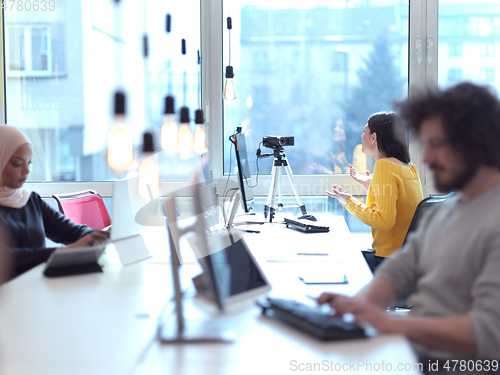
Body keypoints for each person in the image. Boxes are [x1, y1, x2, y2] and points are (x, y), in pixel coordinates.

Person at [318, 82, 500, 366]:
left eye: (436, 145)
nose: (425, 158)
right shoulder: (449, 211)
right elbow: (403, 265)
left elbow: (486, 332)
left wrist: (389, 323)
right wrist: (360, 303)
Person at [0, 125, 109, 280]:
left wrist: (93, 236)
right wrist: (64, 252)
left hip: (35, 288)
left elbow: (70, 231)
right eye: (17, 163)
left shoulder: (30, 200)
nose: (27, 170)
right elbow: (9, 258)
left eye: (29, 163)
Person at [326, 111, 423, 272]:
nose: (362, 135)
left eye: (365, 131)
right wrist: (370, 184)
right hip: (406, 263)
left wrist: (348, 201)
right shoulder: (409, 167)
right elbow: (397, 205)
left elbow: (383, 220)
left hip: (387, 263)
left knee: (335, 257)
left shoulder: (384, 165)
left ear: (374, 137)